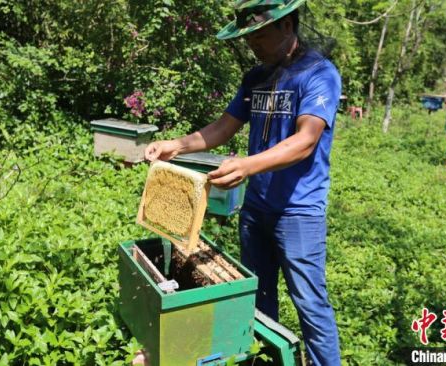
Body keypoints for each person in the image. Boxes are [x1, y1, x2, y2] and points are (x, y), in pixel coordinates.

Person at [145, 0, 341, 364]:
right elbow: (223, 127)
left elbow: (305, 140)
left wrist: (248, 165)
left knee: (311, 306)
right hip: (256, 210)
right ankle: (262, 359)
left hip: (298, 211)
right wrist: (176, 145)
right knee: (257, 299)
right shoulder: (256, 77)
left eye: (261, 35)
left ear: (287, 26)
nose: (253, 45)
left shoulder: (319, 74)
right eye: (248, 38)